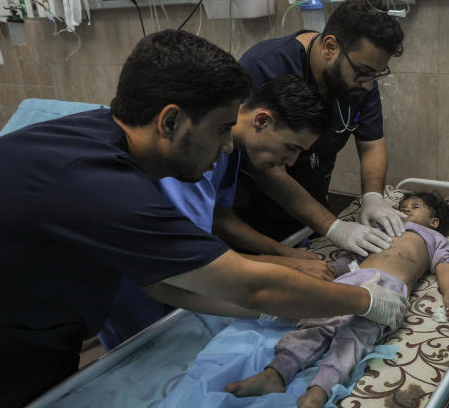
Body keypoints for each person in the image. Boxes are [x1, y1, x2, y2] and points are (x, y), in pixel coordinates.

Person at [0, 30, 408, 408]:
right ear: (171, 121)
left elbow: (161, 282)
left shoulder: (104, 143)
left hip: (21, 346)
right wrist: (361, 301)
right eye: (218, 130)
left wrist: (278, 307)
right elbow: (247, 283)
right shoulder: (99, 182)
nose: (226, 149)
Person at [99, 74, 336, 351]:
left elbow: (221, 218)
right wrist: (287, 266)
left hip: (179, 274)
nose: (291, 161)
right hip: (138, 283)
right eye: (291, 148)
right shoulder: (190, 155)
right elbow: (191, 258)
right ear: (262, 120)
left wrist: (284, 253)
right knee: (146, 366)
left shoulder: (231, 151)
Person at [224, 191, 449, 408]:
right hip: (351, 279)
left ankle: (319, 391)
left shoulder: (432, 237)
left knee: (354, 338)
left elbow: (444, 265)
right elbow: (354, 253)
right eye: (402, 206)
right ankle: (276, 373)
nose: (406, 210)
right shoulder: (383, 229)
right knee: (317, 323)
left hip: (388, 289)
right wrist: (331, 271)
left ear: (434, 222)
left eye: (416, 206)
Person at [231, 0, 407, 257]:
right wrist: (333, 227)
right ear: (330, 47)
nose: (369, 85)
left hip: (309, 220)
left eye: (376, 74)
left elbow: (371, 143)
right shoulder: (266, 66)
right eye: (363, 71)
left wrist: (372, 197)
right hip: (251, 225)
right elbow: (265, 166)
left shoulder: (361, 80)